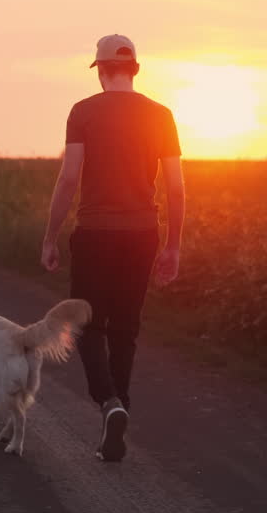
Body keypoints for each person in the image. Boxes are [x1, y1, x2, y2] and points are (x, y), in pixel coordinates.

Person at [39, 34, 186, 462]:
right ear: (135, 70)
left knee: (86, 324)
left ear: (101, 70)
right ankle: (118, 409)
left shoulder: (83, 112)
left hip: (95, 232)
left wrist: (50, 236)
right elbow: (176, 188)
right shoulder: (161, 115)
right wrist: (173, 245)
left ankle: (109, 403)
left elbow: (69, 179)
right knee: (126, 329)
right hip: (143, 234)